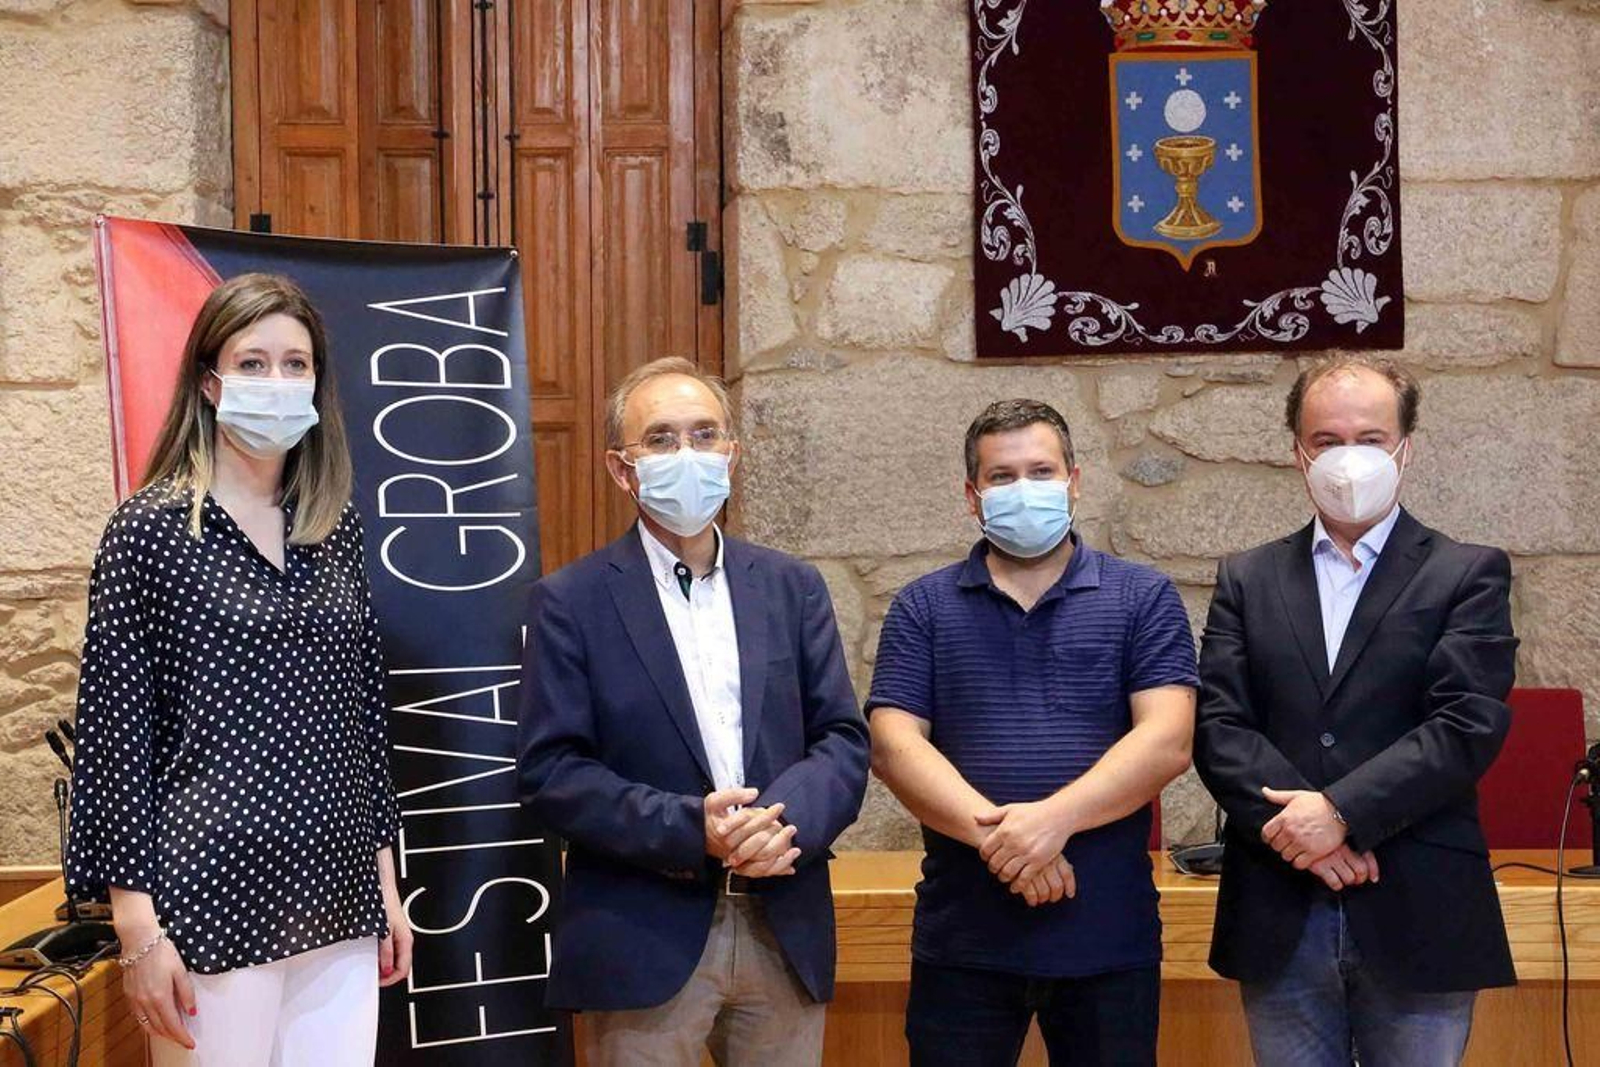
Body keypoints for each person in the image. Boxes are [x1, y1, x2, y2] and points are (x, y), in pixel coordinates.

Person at [65, 273, 411, 1066]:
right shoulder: (147, 531)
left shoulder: (334, 524)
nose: (277, 381)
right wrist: (137, 931)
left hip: (339, 882)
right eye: (253, 363)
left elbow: (364, 720)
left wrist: (386, 883)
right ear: (210, 381)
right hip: (209, 895)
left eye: (296, 364)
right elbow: (117, 741)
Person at [516, 356, 869, 1067]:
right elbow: (552, 772)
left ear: (731, 455)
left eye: (705, 435)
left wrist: (782, 821)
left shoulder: (791, 586)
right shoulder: (570, 602)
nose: (689, 454)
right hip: (641, 931)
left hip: (783, 919)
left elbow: (841, 739)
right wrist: (691, 829)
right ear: (624, 469)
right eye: (662, 438)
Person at [1193, 354, 1518, 1066]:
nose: (1348, 458)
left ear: (1406, 447)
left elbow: (1465, 723)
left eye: (1370, 439)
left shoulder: (1467, 572)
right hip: (1280, 906)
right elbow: (1218, 724)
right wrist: (1301, 833)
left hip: (1420, 905)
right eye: (1326, 439)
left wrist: (1337, 814)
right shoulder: (1247, 577)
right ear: (1297, 452)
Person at [867, 398, 1197, 1067]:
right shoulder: (923, 606)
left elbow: (1167, 738)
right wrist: (1012, 842)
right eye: (1002, 476)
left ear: (1075, 481)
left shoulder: (1143, 596)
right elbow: (893, 744)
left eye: (1041, 471)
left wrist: (1052, 821)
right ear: (972, 495)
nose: (1024, 489)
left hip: (1107, 936)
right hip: (965, 940)